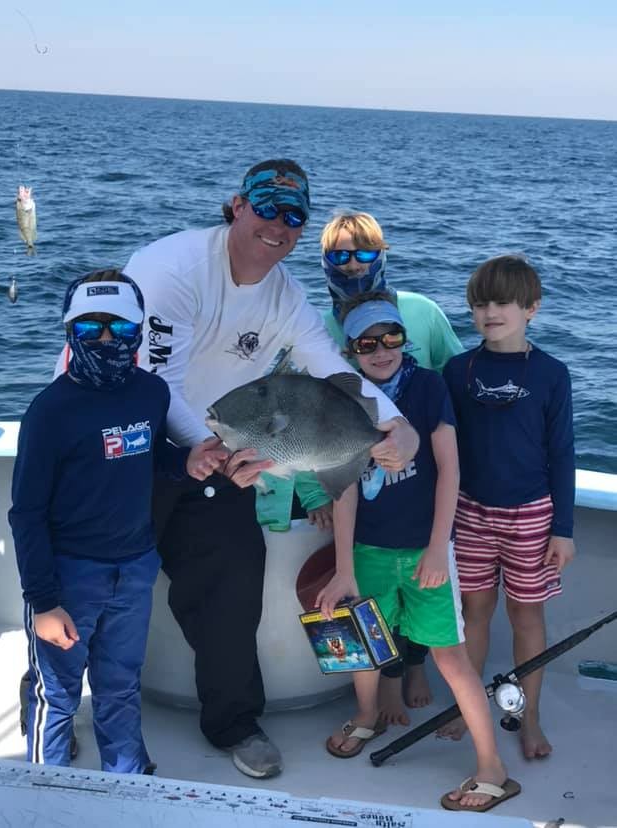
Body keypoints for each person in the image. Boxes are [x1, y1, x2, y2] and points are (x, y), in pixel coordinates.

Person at [123, 159, 420, 780]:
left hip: (221, 454)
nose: (279, 226)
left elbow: (327, 365)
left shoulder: (285, 294)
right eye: (266, 207)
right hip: (129, 446)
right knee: (106, 584)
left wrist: (393, 424)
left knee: (232, 582)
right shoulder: (173, 269)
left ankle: (232, 721)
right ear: (236, 205)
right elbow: (156, 384)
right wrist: (208, 448)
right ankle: (64, 701)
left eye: (294, 217)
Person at [8, 270, 224, 773]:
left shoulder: (151, 393)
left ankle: (127, 779)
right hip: (68, 577)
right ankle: (45, 789)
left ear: (140, 332)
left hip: (134, 567)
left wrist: (185, 463)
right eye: (90, 330)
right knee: (56, 693)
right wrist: (44, 602)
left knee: (120, 684)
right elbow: (26, 513)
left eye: (122, 330)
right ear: (69, 331)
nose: (107, 340)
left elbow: (150, 458)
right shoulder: (49, 412)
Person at [316, 297, 519, 813]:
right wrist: (343, 569)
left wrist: (436, 549)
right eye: (368, 343)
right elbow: (344, 491)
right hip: (367, 550)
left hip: (425, 552)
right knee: (362, 643)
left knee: (450, 657)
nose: (382, 351)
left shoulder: (428, 388)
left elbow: (449, 471)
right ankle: (365, 716)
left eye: (392, 339)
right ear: (350, 350)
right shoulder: (343, 400)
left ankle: (493, 768)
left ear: (405, 341)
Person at [318, 211, 463, 722]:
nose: (353, 264)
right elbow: (308, 417)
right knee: (370, 584)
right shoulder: (316, 327)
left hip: (420, 485)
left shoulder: (421, 312)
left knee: (419, 584)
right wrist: (319, 492)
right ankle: (379, 684)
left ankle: (414, 665)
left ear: (384, 255)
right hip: (355, 487)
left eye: (364, 252)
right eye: (340, 255)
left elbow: (456, 379)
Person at [442, 254, 575, 759]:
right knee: (473, 612)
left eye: (501, 302)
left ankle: (528, 715)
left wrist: (562, 528)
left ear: (531, 308)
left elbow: (562, 453)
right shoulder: (457, 371)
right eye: (479, 303)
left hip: (531, 517)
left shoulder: (551, 374)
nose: (488, 311)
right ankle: (465, 707)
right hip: (469, 512)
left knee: (526, 615)